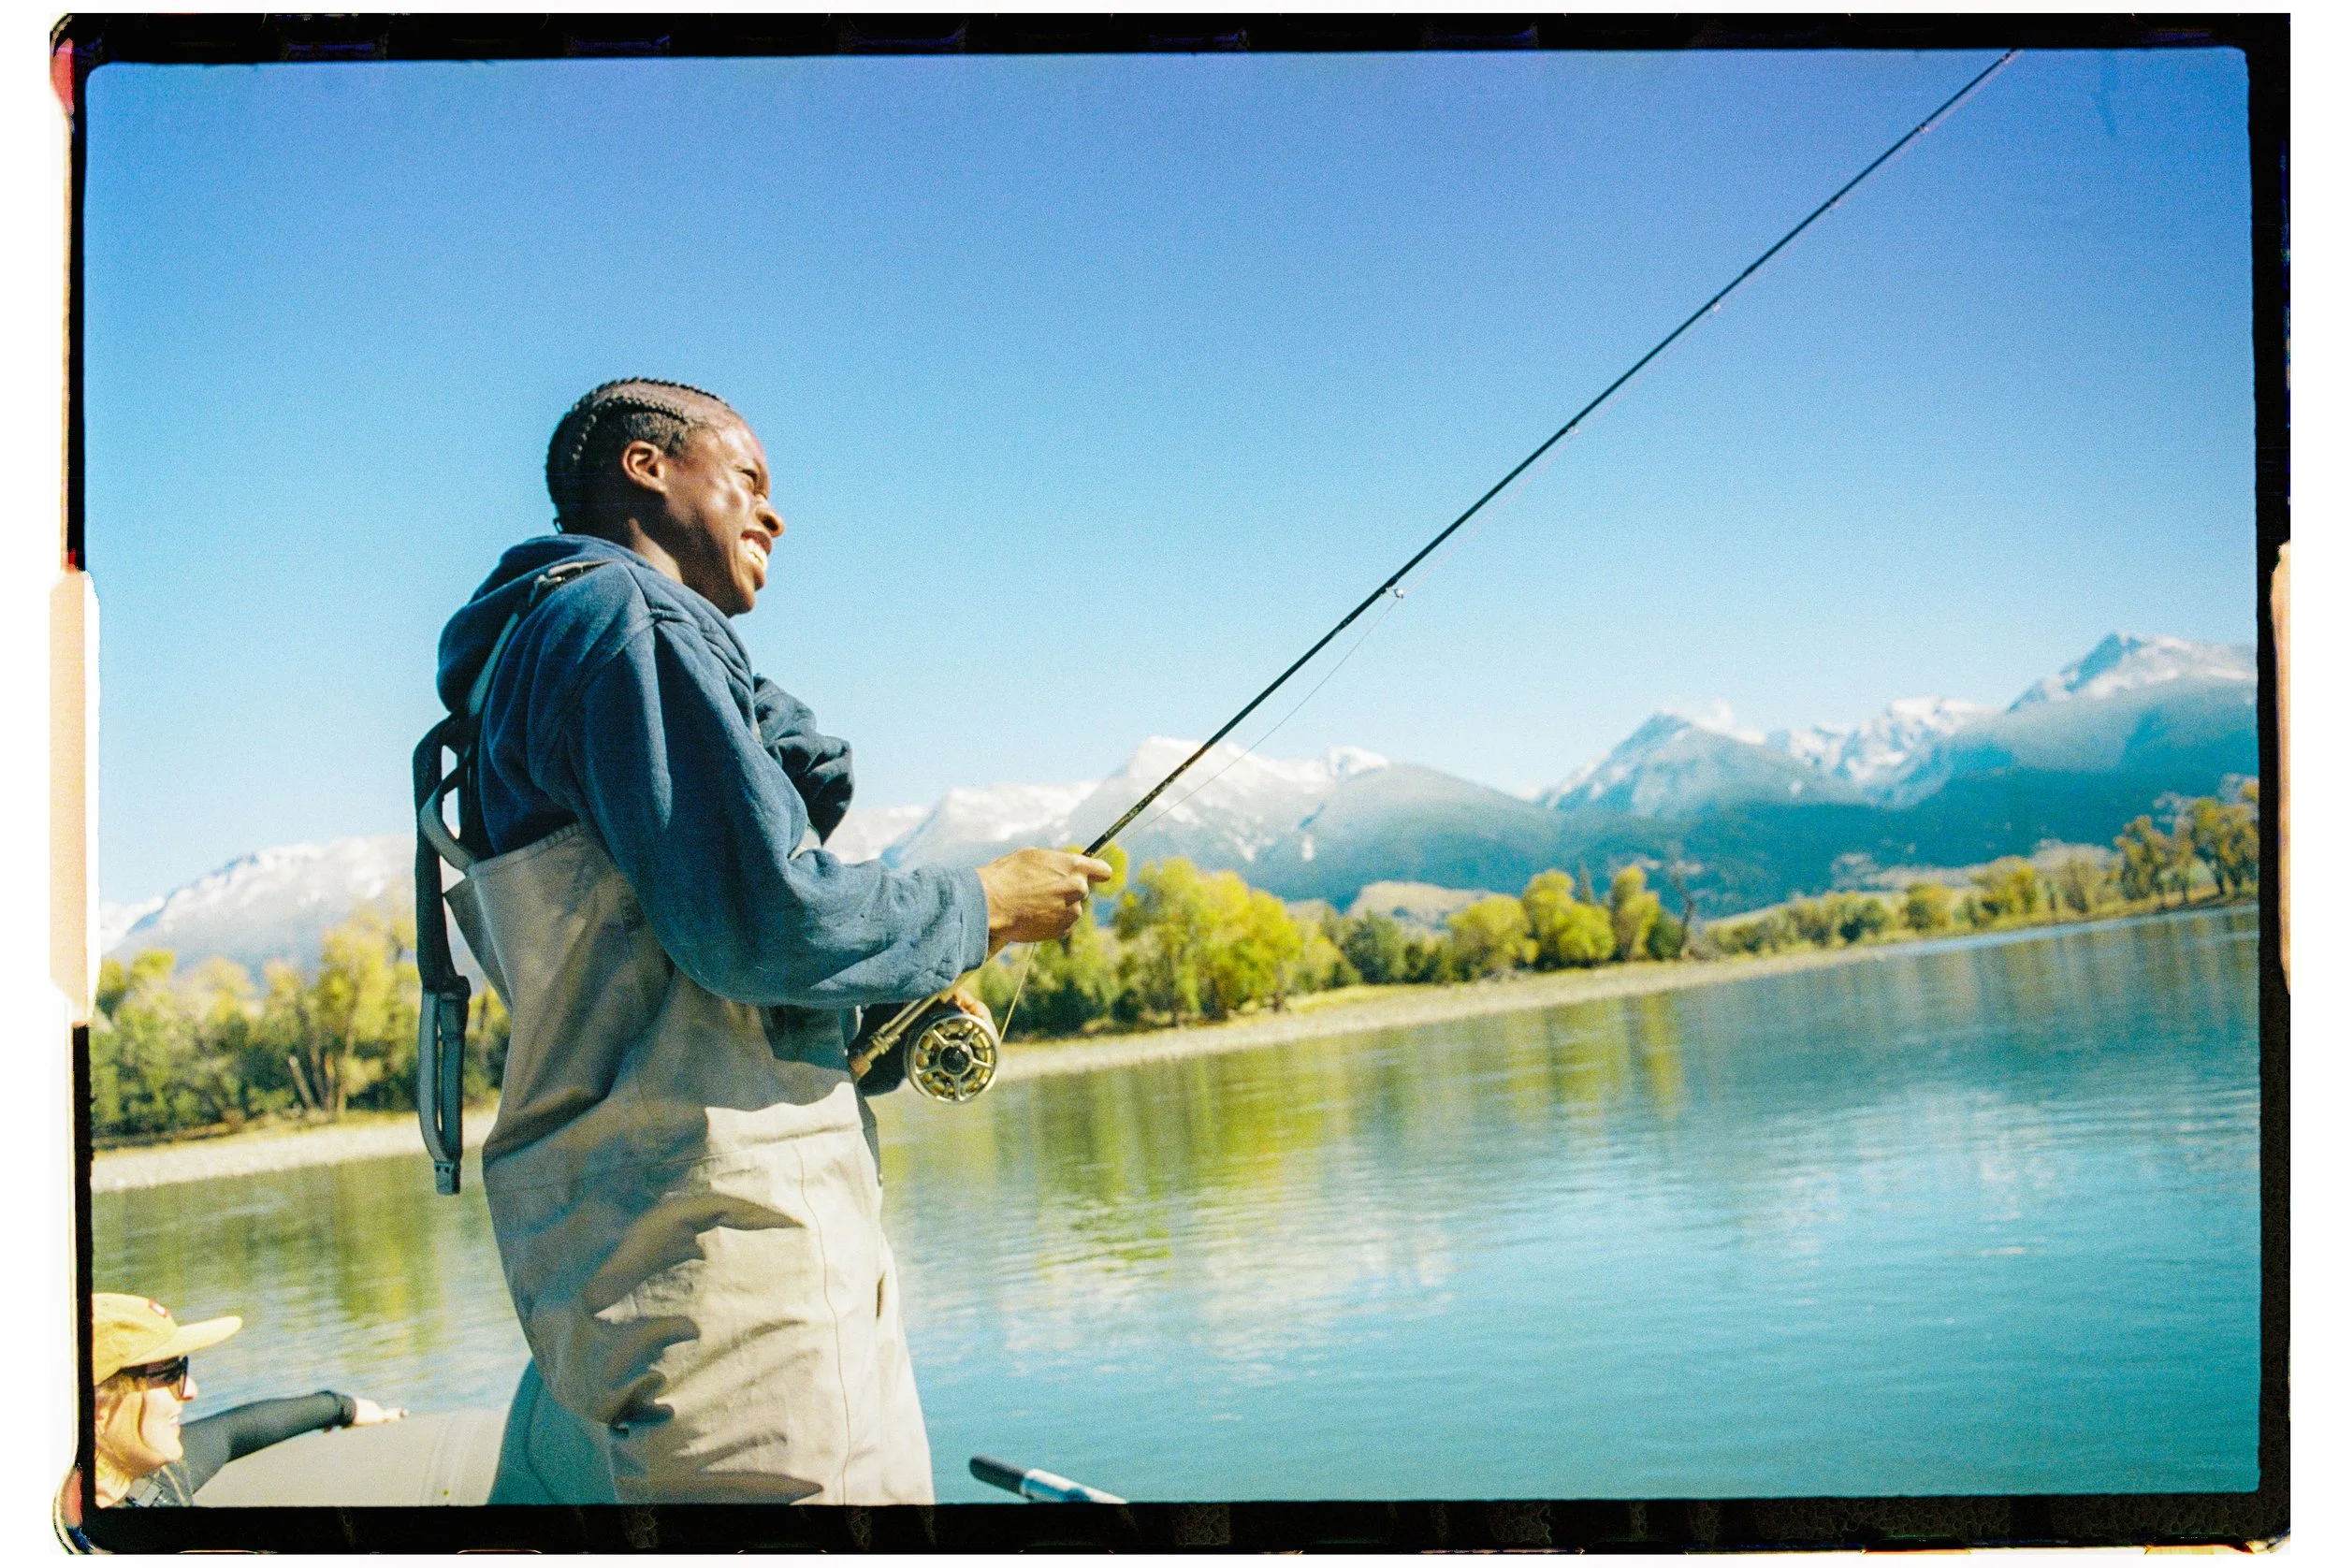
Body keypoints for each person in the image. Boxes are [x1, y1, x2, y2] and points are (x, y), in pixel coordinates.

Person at [432, 378, 1108, 1504]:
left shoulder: (528, 647)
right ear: (647, 469)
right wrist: (981, 904)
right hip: (730, 1272)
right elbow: (761, 920)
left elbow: (663, 960)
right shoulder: (623, 621)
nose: (774, 514)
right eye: (748, 477)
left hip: (601, 1260)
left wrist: (865, 1005)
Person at [56, 1293, 404, 1543]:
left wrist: (345, 1407)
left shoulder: (153, 1480)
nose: (191, 1389)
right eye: (170, 1374)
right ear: (97, 1406)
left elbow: (233, 1432)